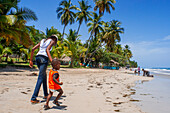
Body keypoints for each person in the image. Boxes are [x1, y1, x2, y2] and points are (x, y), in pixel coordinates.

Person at [29, 34, 58, 104]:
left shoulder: (42, 40)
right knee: (40, 78)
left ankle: (45, 94)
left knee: (43, 76)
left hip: (37, 58)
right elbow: (47, 50)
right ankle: (33, 98)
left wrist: (30, 60)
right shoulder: (52, 41)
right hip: (44, 59)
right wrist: (52, 62)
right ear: (54, 39)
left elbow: (33, 49)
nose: (54, 43)